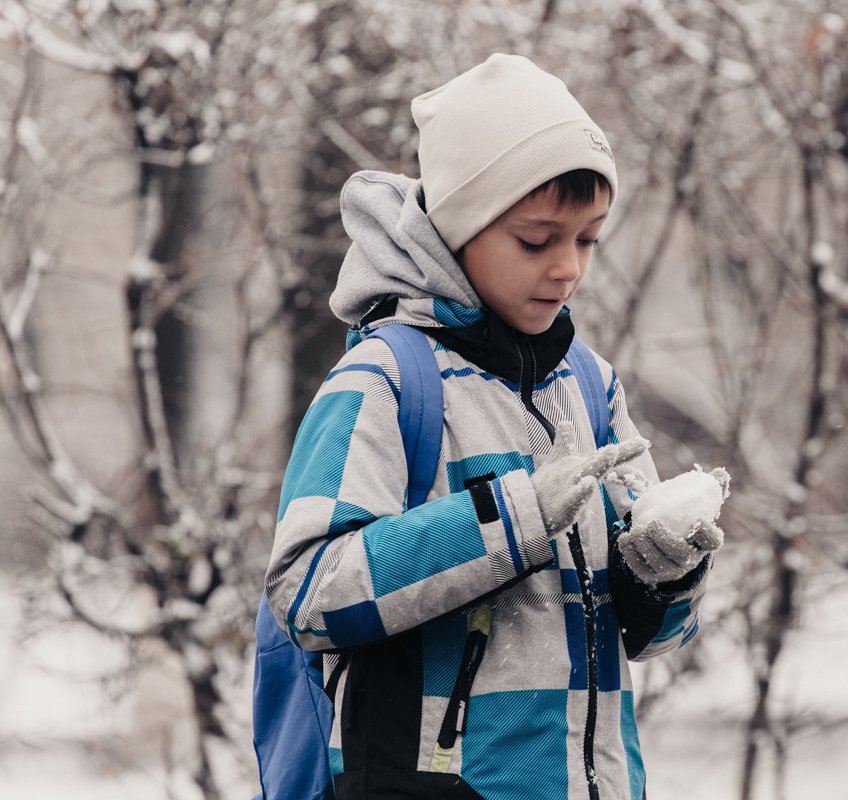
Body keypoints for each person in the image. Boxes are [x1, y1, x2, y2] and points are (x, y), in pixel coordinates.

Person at [265, 53, 728, 800]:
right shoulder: (385, 380)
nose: (568, 268)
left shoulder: (590, 384)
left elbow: (650, 639)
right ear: (457, 232)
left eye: (587, 239)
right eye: (537, 240)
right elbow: (306, 591)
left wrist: (663, 576)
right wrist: (513, 520)